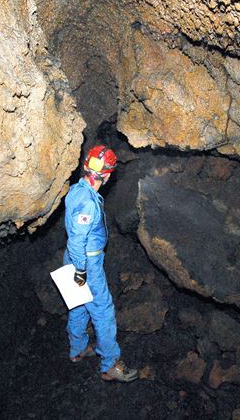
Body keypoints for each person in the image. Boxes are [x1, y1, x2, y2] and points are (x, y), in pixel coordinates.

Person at [63, 145, 139, 383]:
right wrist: (81, 271)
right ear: (106, 174)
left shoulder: (76, 190)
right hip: (86, 262)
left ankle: (77, 350)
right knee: (103, 312)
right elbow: (78, 240)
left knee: (78, 305)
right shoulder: (87, 203)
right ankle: (110, 365)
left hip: (72, 257)